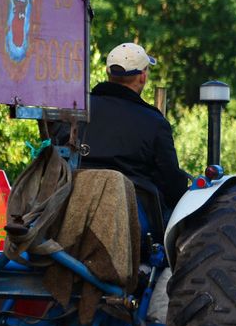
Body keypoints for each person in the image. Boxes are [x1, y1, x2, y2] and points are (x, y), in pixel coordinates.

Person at [67, 42, 189, 214]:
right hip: (132, 212)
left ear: (108, 72)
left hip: (73, 203)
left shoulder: (77, 111)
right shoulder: (155, 122)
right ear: (143, 77)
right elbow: (170, 182)